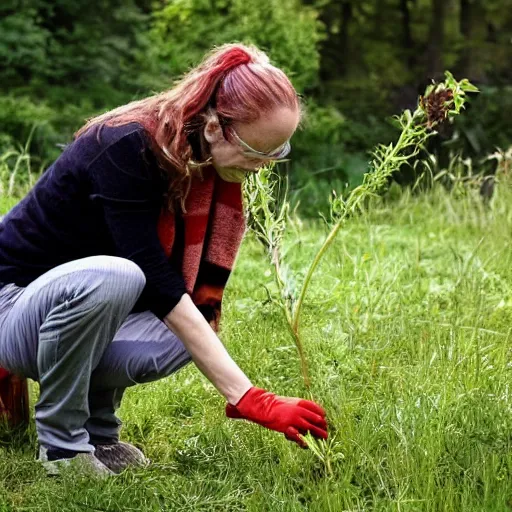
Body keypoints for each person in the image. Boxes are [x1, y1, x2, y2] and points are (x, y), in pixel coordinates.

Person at [0, 43, 328, 477]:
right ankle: (63, 447)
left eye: (275, 154)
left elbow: (162, 295)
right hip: (13, 305)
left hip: (72, 311)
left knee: (192, 327)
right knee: (118, 276)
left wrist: (237, 388)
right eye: (256, 150)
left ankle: (100, 436)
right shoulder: (126, 146)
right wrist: (248, 396)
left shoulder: (194, 157)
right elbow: (152, 278)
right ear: (213, 127)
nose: (262, 166)